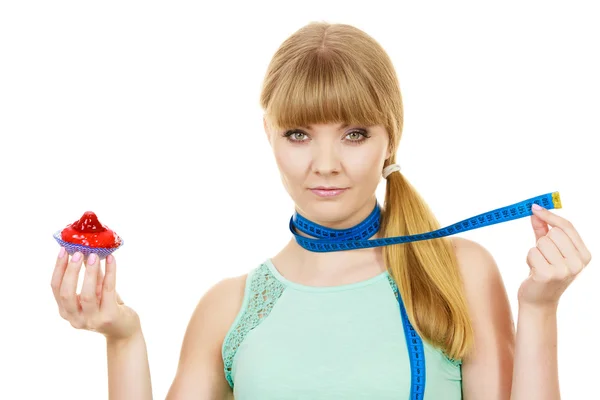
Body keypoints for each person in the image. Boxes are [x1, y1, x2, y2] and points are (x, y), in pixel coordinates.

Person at [50, 21, 592, 399]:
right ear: (268, 135)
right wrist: (122, 336)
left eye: (354, 134)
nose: (325, 164)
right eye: (298, 134)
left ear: (390, 139)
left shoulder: (457, 272)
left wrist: (540, 308)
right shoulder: (226, 309)